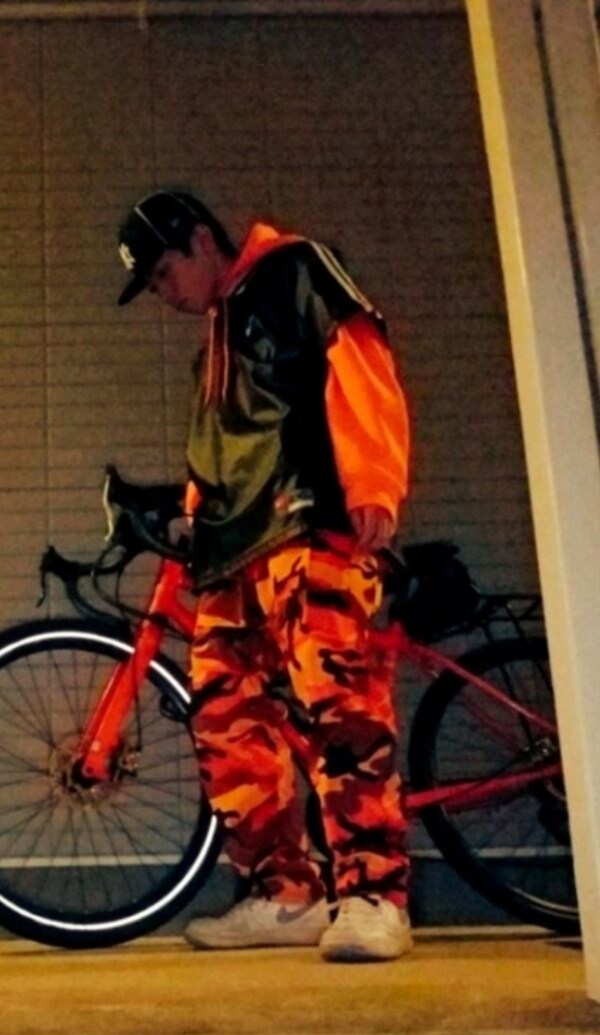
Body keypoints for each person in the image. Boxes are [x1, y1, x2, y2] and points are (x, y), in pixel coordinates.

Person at [115, 189, 412, 962]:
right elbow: (221, 450)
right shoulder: (217, 335)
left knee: (339, 705)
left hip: (309, 527)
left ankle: (375, 895)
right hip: (232, 554)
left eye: (163, 272)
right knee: (224, 717)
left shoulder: (294, 268)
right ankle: (286, 894)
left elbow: (358, 353)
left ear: (200, 239)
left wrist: (374, 479)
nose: (164, 292)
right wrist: (191, 514)